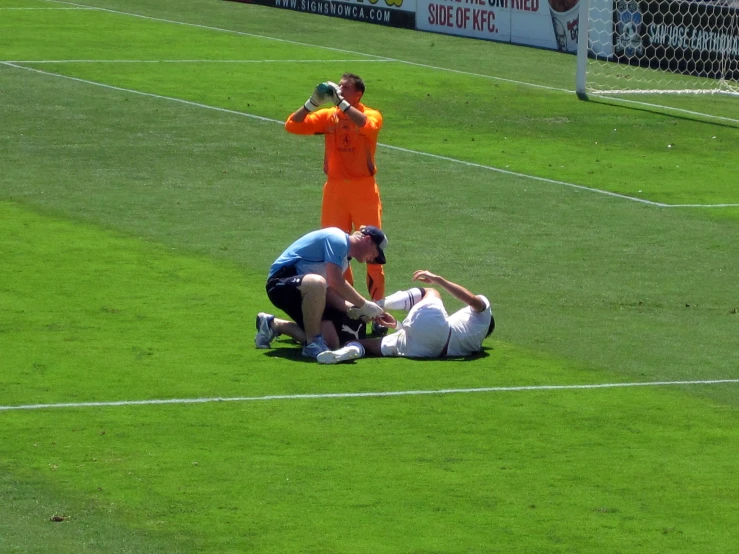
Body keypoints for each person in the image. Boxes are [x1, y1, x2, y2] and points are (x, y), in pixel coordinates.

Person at [284, 73, 386, 313]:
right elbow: (292, 125)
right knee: (337, 253)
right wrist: (313, 103)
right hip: (335, 190)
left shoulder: (371, 114)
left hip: (364, 190)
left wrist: (341, 103)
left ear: (357, 93)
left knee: (372, 253)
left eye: (344, 87)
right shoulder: (329, 117)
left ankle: (378, 308)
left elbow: (366, 125)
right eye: (338, 86)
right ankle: (350, 308)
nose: (338, 89)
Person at [254, 226, 388, 358]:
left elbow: (328, 291)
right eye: (376, 251)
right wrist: (364, 304)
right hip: (279, 283)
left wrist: (355, 309)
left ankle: (272, 324)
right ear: (367, 240)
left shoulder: (344, 261)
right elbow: (335, 281)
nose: (374, 258)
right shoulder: (337, 239)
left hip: (306, 292)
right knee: (317, 282)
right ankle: (312, 344)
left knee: (331, 343)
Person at [316, 270, 495, 364]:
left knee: (430, 291)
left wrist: (438, 279)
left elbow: (470, 299)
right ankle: (344, 353)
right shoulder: (474, 344)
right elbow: (427, 337)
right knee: (368, 346)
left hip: (438, 331)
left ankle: (373, 305)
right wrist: (397, 325)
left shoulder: (485, 314)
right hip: (425, 352)